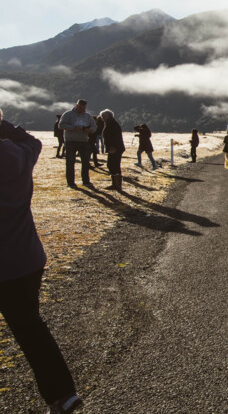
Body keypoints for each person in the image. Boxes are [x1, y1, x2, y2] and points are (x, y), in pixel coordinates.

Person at [0, 109, 83, 414]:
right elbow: (33, 141)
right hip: (25, 260)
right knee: (32, 331)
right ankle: (62, 395)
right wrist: (3, 125)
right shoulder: (20, 155)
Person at [57, 99, 97, 188]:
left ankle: (86, 181)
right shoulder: (68, 114)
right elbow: (61, 125)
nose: (83, 109)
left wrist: (90, 130)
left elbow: (94, 126)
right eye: (81, 108)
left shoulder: (88, 116)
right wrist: (74, 128)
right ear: (77, 106)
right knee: (70, 163)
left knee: (86, 162)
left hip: (84, 141)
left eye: (84, 108)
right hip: (70, 141)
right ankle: (71, 182)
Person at [100, 109, 124, 191]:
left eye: (103, 116)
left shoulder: (112, 124)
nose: (102, 117)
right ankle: (116, 184)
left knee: (113, 165)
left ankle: (117, 184)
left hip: (115, 148)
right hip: (115, 148)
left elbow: (115, 137)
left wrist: (114, 147)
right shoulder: (110, 123)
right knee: (113, 165)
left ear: (108, 116)